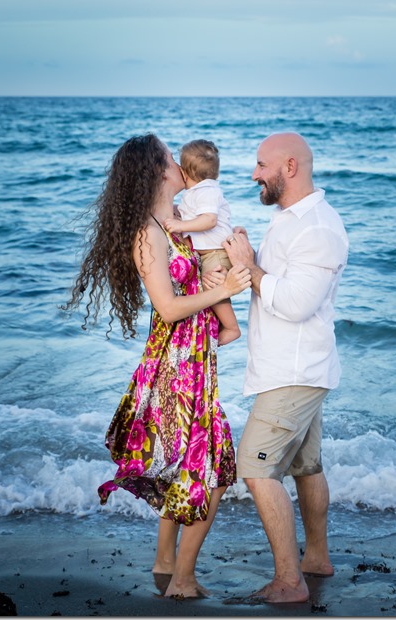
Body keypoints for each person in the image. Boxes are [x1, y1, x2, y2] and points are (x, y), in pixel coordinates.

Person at [63, 133, 251, 598]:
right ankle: (182, 581)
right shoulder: (148, 233)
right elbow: (167, 308)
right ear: (156, 170)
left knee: (189, 464)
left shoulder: (168, 225)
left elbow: (188, 284)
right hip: (176, 367)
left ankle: (166, 563)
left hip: (190, 362)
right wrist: (228, 288)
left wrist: (217, 269)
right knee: (214, 468)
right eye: (169, 156)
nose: (177, 161)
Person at [221, 132, 349, 603]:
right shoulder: (290, 219)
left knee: (255, 468)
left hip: (294, 372)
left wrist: (250, 269)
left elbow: (295, 303)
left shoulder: (317, 227)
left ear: (289, 167)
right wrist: (247, 263)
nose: (254, 173)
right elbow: (277, 283)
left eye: (260, 164)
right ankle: (315, 559)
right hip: (297, 367)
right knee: (305, 465)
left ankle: (290, 581)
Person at [163, 139, 240, 346]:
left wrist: (181, 226)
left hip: (216, 253)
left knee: (211, 286)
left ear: (186, 174)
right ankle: (224, 324)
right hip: (211, 252)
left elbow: (209, 220)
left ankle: (231, 327)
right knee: (212, 286)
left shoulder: (206, 191)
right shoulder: (197, 193)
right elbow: (192, 213)